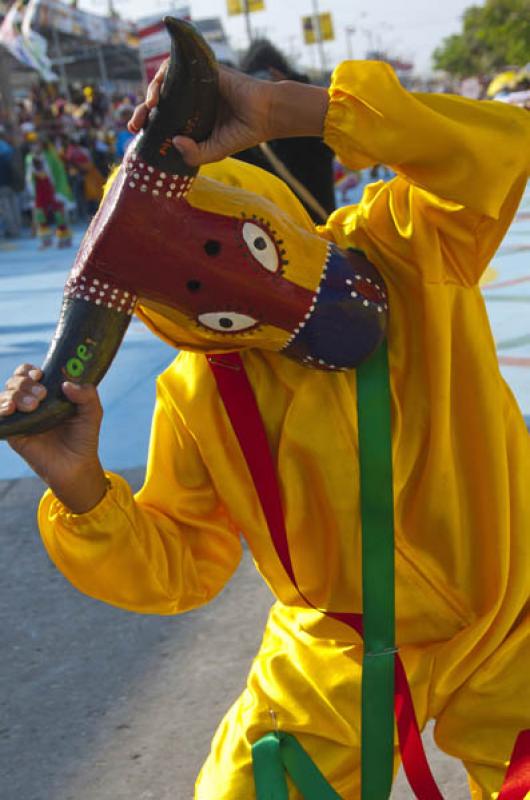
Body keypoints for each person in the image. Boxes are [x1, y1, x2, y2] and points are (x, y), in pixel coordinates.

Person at [1, 18, 530, 800]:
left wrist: (296, 108)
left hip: (513, 607)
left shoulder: (406, 248)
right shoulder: (198, 390)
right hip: (338, 645)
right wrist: (81, 487)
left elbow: (501, 148)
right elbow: (181, 562)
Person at [235, 38, 336, 224]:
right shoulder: (243, 137)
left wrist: (293, 93)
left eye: (267, 79)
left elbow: (335, 130)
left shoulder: (308, 123)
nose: (263, 90)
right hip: (275, 240)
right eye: (255, 82)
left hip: (320, 234)